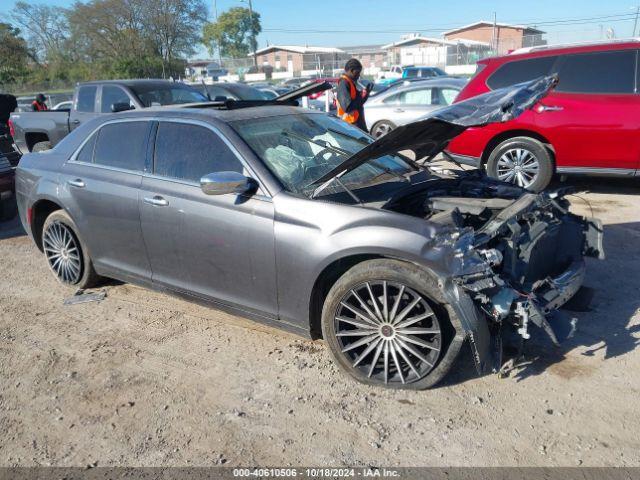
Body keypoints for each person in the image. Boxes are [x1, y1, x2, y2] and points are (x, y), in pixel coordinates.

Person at [336, 58, 372, 131]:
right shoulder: (343, 83)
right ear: (352, 70)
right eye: (358, 72)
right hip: (350, 126)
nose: (359, 75)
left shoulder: (350, 83)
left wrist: (366, 94)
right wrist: (361, 96)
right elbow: (347, 107)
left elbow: (358, 104)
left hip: (357, 124)